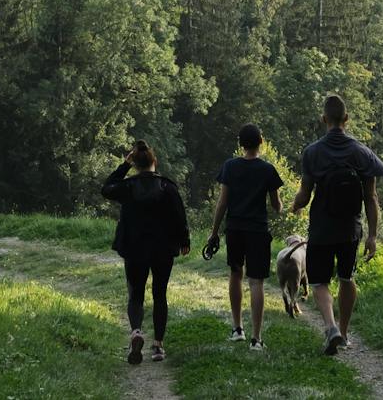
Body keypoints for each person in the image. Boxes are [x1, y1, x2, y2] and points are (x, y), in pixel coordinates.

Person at [289, 94, 383, 355]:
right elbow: (371, 197)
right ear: (347, 119)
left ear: (324, 119)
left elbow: (305, 194)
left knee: (320, 282)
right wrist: (373, 236)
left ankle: (330, 327)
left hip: (321, 228)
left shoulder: (312, 153)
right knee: (347, 278)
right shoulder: (363, 154)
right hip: (350, 229)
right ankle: (343, 333)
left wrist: (295, 204)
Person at [101, 140, 191, 365]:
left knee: (136, 294)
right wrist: (184, 240)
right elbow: (179, 216)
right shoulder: (167, 187)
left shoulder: (128, 187)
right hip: (163, 248)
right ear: (155, 162)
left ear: (136, 164)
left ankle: (136, 332)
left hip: (134, 248)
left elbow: (106, 189)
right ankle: (159, 346)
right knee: (160, 295)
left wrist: (124, 166)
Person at [203, 122, 284, 351]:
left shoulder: (230, 167)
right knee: (256, 282)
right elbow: (276, 205)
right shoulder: (268, 170)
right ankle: (257, 339)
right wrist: (283, 206)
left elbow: (222, 203)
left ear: (241, 144)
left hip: (235, 228)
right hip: (258, 230)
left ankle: (237, 328)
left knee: (235, 274)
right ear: (261, 142)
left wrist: (214, 232)